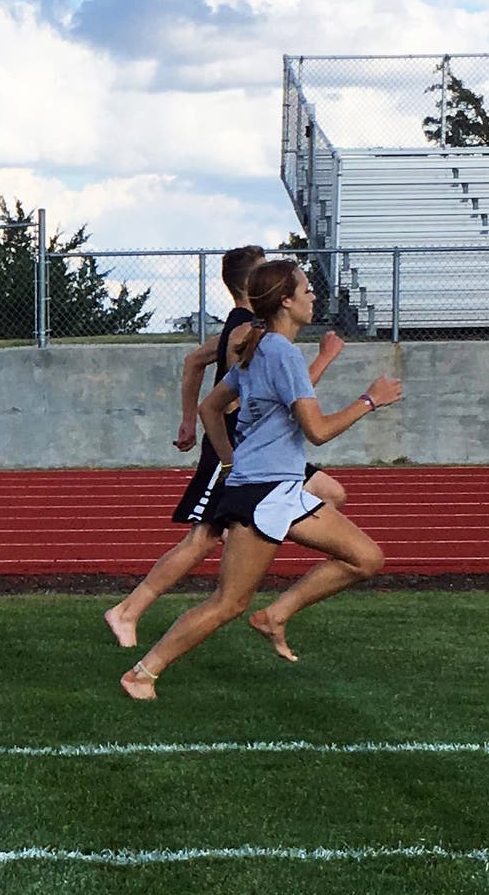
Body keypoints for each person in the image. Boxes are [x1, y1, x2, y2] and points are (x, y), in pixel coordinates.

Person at [121, 260, 401, 699]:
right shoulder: (282, 352)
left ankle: (277, 614)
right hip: (265, 494)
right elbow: (318, 431)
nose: (313, 297)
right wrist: (370, 399)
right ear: (285, 301)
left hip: (276, 489)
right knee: (228, 603)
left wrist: (233, 463)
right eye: (307, 290)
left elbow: (210, 409)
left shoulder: (261, 348)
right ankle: (142, 673)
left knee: (366, 558)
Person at [104, 247, 346, 648]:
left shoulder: (245, 329)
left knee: (332, 493)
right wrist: (197, 425)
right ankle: (128, 610)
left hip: (266, 450)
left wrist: (187, 419)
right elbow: (277, 397)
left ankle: (254, 548)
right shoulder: (247, 334)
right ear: (255, 283)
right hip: (237, 447)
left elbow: (195, 363)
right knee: (201, 539)